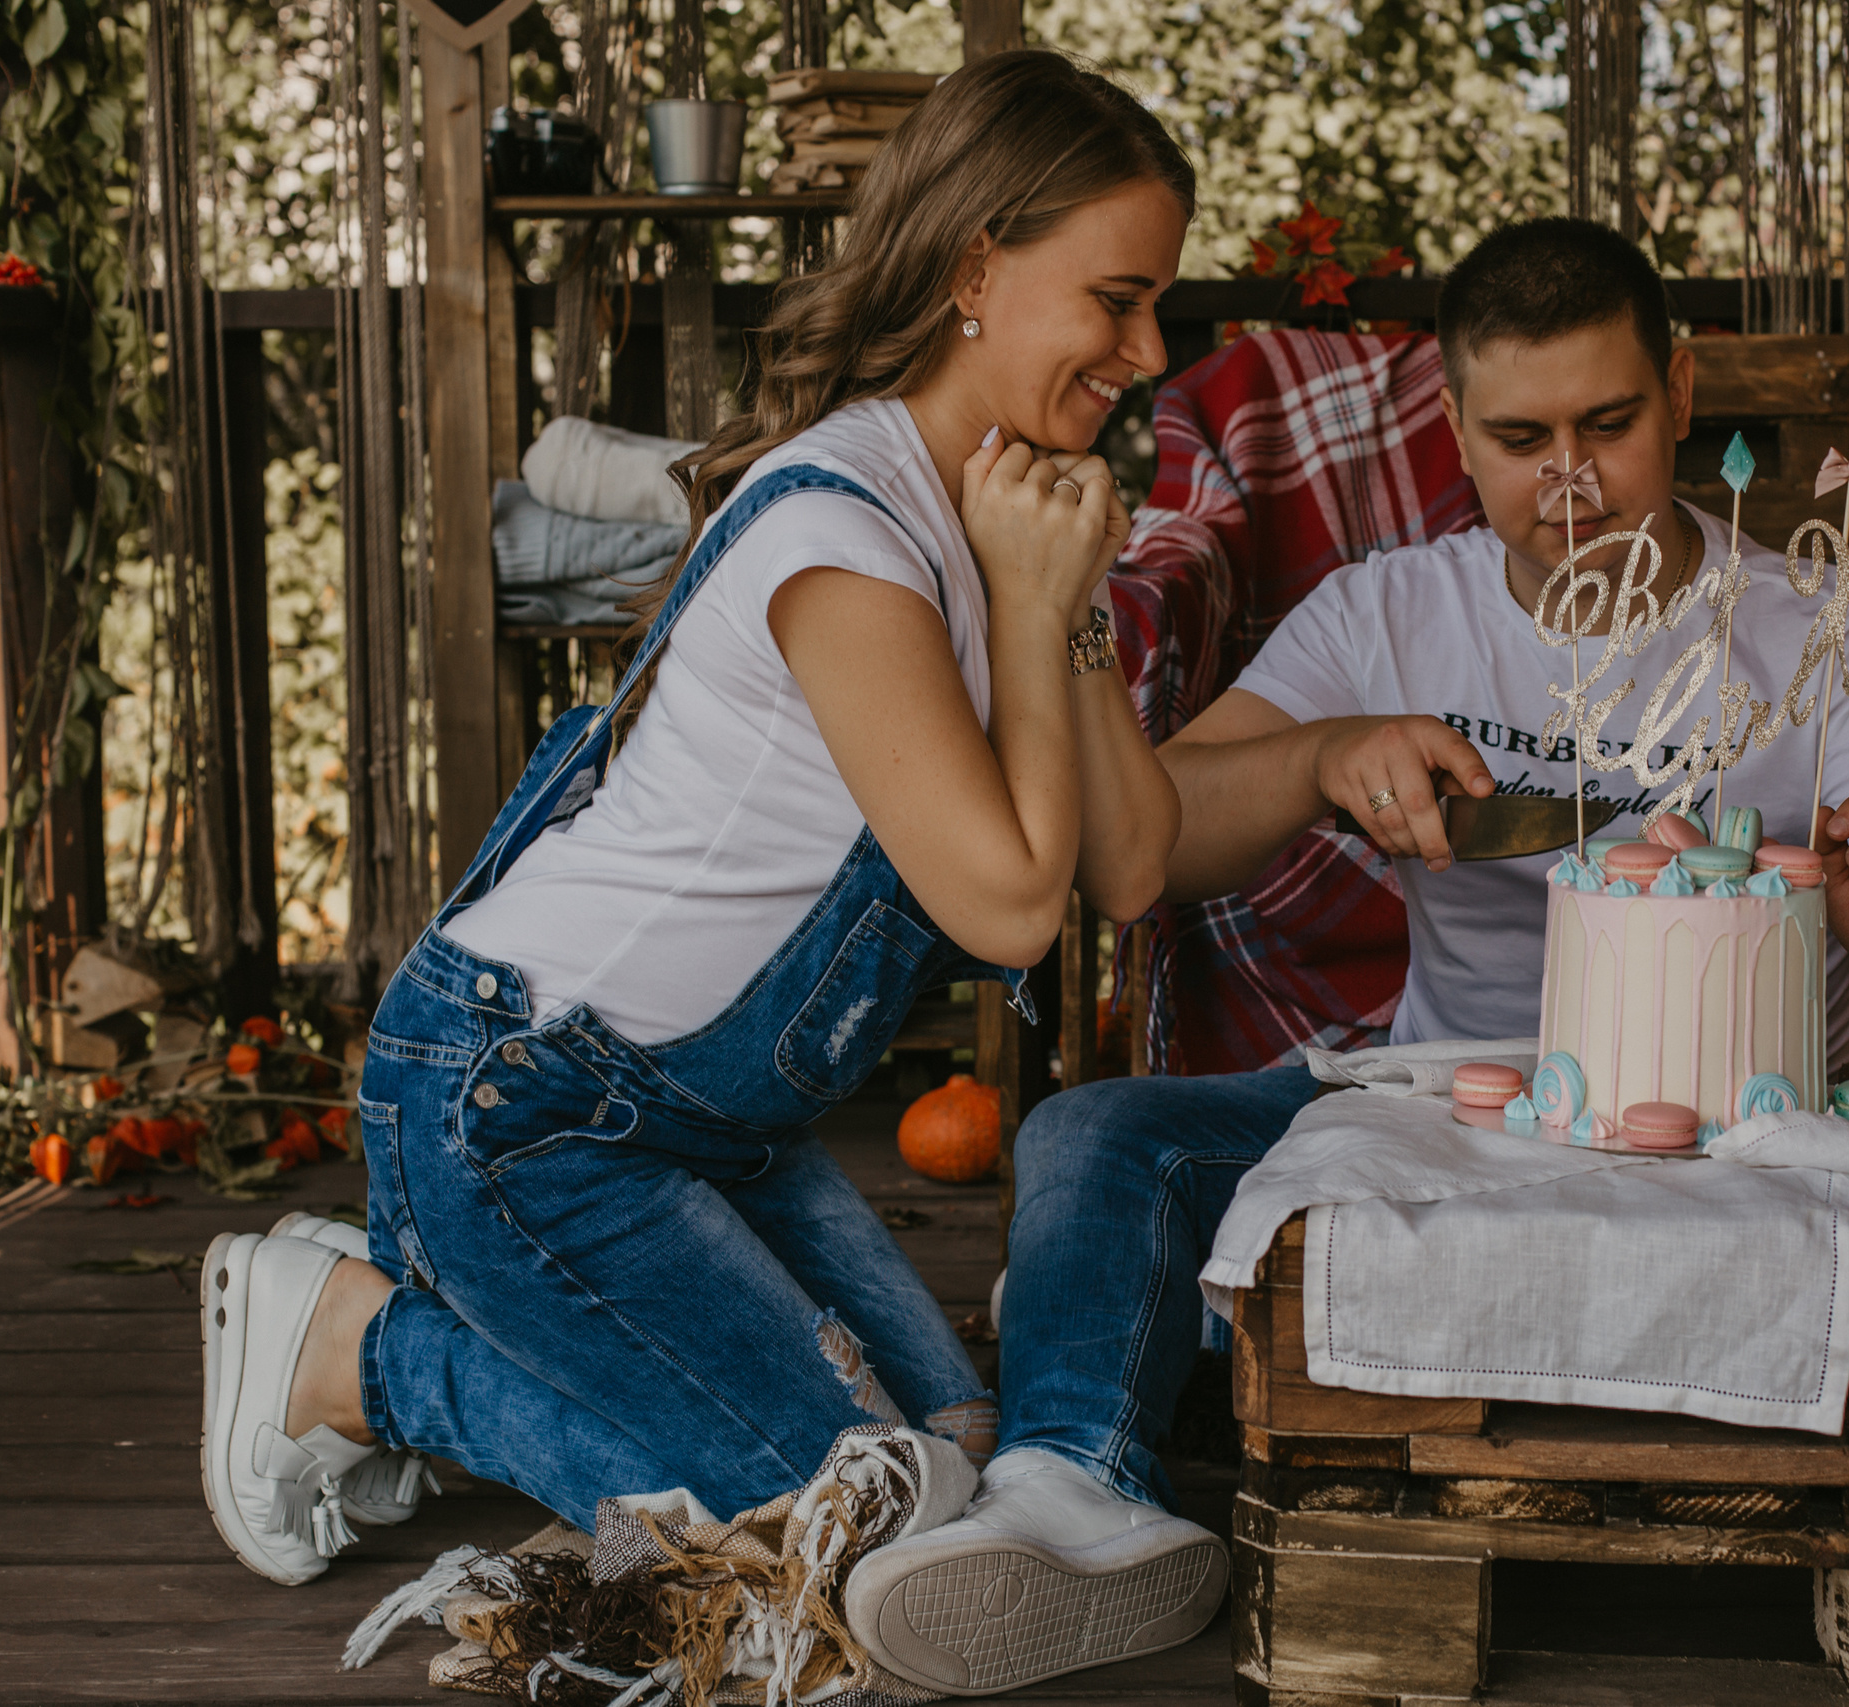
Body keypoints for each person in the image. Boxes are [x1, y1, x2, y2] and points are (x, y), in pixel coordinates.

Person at [854, 216, 1849, 1690]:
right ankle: (1070, 1492)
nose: (1568, 482)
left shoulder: (1822, 635)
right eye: (1520, 437)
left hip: (1756, 1132)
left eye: (1610, 425)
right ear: (1454, 428)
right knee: (1097, 1134)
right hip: (1449, 1103)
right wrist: (1321, 753)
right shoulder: (1389, 610)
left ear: (1683, 395)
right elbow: (1156, 841)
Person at [195, 49, 1199, 1661]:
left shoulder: (1000, 507)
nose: (1149, 353)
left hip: (712, 1130)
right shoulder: (845, 535)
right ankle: (362, 1352)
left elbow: (1133, 865)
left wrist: (1065, 593)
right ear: (974, 272)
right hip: (526, 1105)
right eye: (1121, 299)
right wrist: (1032, 594)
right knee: (835, 1536)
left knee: (946, 1457)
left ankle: (465, 1335)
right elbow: (1013, 900)